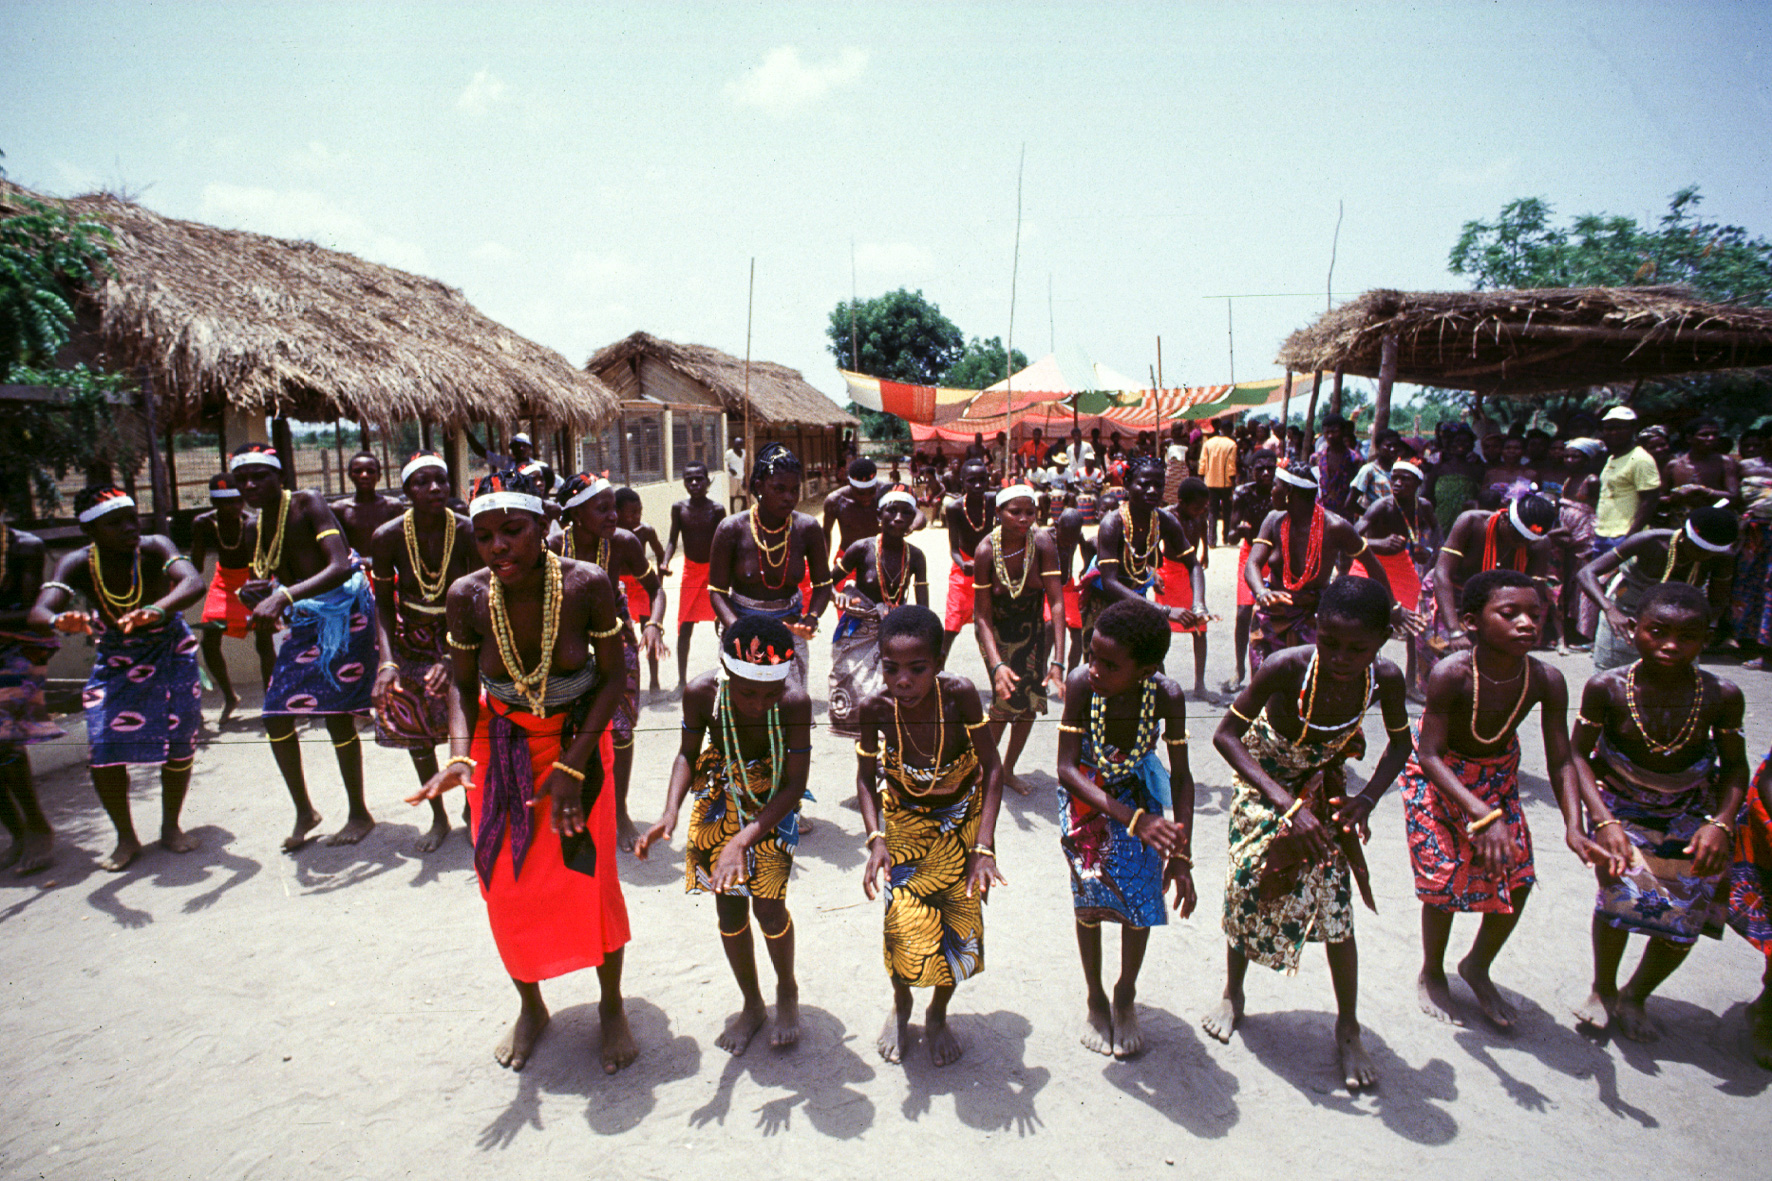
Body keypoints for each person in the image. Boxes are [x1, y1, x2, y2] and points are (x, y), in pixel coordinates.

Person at [405, 470, 635, 1074]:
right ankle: (531, 1003)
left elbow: (613, 679)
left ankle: (612, 1005)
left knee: (589, 877)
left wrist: (571, 766)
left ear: (544, 528)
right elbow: (459, 686)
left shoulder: (586, 584)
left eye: (512, 530)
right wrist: (458, 755)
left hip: (578, 744)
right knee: (504, 885)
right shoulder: (466, 595)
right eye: (484, 537)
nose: (497, 546)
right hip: (499, 746)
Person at [1204, 577, 1413, 1090]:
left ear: (1382, 640)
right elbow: (1226, 736)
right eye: (1330, 642)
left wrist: (1365, 800)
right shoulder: (1286, 667)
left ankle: (1347, 1026)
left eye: (1357, 648)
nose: (1341, 657)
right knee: (1248, 882)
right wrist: (1284, 802)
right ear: (1315, 629)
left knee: (1335, 901)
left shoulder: (1384, 678)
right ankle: (1233, 991)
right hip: (1265, 780)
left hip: (1322, 785)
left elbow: (1402, 747)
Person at [1399, 569, 1596, 1028]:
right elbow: (1428, 755)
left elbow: (1562, 759)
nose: (1527, 623)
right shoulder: (1452, 674)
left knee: (1520, 877)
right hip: (1441, 780)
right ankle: (1432, 971)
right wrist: (1482, 813)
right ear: (1472, 622)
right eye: (1510, 614)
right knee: (1444, 882)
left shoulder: (1546, 679)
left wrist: (1573, 824)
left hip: (1497, 781)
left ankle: (1477, 967)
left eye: (1536, 614)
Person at [1569, 582, 1748, 1041]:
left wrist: (1721, 824)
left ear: (1705, 639)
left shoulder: (1721, 695)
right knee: (1618, 895)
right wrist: (1603, 821)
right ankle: (1603, 988)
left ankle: (1637, 994)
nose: (1671, 645)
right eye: (1657, 631)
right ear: (1633, 630)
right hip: (1621, 804)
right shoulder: (1606, 688)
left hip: (1691, 809)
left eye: (1687, 636)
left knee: (1687, 911)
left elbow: (1734, 769)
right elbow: (1576, 758)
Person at [635, 617, 811, 1054]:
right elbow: (686, 754)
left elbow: (793, 785)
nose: (758, 703)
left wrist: (742, 841)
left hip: (772, 803)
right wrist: (669, 811)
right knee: (730, 913)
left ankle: (785, 989)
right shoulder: (702, 694)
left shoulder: (793, 702)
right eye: (746, 691)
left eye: (769, 692)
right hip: (721, 794)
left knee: (769, 910)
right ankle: (752, 1004)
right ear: (725, 673)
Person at [855, 605, 1005, 1067]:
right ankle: (902, 1005)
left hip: (960, 822)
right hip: (904, 824)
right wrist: (876, 838)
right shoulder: (876, 707)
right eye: (891, 667)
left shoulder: (959, 696)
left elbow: (993, 767)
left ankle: (938, 1013)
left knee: (957, 928)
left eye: (917, 669)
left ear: (938, 664)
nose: (903, 680)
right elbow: (864, 779)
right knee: (902, 927)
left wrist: (984, 846)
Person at [30, 487, 205, 871]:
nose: (130, 527)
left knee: (179, 738)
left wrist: (155, 611)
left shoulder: (156, 546)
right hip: (116, 657)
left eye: (132, 517)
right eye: (116, 523)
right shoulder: (77, 563)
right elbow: (40, 610)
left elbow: (193, 582)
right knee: (104, 745)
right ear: (90, 530)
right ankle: (126, 836)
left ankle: (170, 826)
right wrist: (60, 620)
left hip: (170, 649)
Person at [1057, 599, 1194, 1059]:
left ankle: (1125, 993)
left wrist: (1180, 853)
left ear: (1146, 669)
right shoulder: (1081, 684)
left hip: (1138, 792)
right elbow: (1066, 768)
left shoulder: (1167, 695)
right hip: (1089, 798)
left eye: (1109, 664)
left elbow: (1181, 776)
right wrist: (1133, 819)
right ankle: (1095, 996)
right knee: (1090, 898)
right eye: (1091, 655)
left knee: (1141, 899)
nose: (1094, 669)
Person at [229, 441, 379, 850]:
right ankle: (305, 810)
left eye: (259, 475)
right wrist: (257, 593)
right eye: (242, 478)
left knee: (335, 714)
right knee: (276, 716)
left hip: (347, 615)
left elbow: (339, 565)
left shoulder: (307, 503)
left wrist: (283, 596)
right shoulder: (252, 527)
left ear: (280, 477)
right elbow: (266, 581)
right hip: (304, 619)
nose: (250, 484)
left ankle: (358, 813)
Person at [369, 452, 479, 854]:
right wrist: (387, 662)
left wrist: (454, 655)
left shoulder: (467, 531)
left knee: (466, 723)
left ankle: (472, 808)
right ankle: (438, 816)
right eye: (422, 482)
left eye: (441, 480)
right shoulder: (388, 536)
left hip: (461, 630)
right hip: (411, 637)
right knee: (416, 728)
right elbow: (382, 603)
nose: (434, 488)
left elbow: (479, 592)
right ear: (407, 491)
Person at [554, 473, 667, 853]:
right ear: (575, 513)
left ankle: (619, 812)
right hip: (565, 639)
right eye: (601, 508)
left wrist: (653, 624)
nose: (613, 515)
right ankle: (576, 806)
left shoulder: (623, 543)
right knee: (568, 727)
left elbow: (656, 591)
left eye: (613, 507)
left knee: (620, 728)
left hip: (615, 637)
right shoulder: (552, 547)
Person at [1244, 460, 1396, 673]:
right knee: (1267, 680)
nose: (1272, 490)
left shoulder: (1335, 526)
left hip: (1314, 617)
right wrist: (1261, 592)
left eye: (1276, 485)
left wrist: (1393, 607)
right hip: (1273, 613)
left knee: (1310, 682)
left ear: (1289, 491)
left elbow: (1373, 566)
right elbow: (1253, 562)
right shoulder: (1273, 520)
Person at [709, 443, 830, 697]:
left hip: (789, 630)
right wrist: (737, 629)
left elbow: (822, 585)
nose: (789, 497)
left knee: (788, 707)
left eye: (794, 490)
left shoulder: (807, 528)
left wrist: (812, 618)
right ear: (758, 487)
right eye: (779, 489)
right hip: (741, 628)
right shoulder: (732, 529)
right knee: (744, 708)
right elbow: (717, 591)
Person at [1416, 493, 1560, 695]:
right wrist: (1454, 630)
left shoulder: (1538, 544)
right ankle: (1433, 699)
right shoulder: (1471, 522)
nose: (1521, 544)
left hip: (1493, 601)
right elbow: (1442, 574)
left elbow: (1532, 594)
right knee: (1443, 654)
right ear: (1503, 518)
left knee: (1488, 659)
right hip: (1447, 591)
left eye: (1528, 539)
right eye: (1518, 536)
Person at [973, 484, 1066, 794]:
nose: (1024, 519)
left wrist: (1058, 660)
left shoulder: (1042, 543)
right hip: (995, 632)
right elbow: (982, 617)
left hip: (1032, 631)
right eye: (1015, 512)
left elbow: (1056, 603)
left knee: (1029, 705)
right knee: (1004, 702)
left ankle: (1008, 769)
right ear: (998, 513)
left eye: (1030, 512)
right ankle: (982, 770)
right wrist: (997, 663)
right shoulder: (986, 550)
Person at [1575, 505, 1737, 672]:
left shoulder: (1722, 558)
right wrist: (1610, 610)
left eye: (1709, 553)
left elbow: (1717, 602)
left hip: (1680, 626)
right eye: (1697, 549)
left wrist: (1697, 630)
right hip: (1626, 618)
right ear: (1683, 535)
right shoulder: (1650, 541)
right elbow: (1587, 573)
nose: (1702, 556)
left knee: (1678, 684)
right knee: (1611, 679)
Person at [829, 488, 927, 737]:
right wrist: (837, 595)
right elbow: (826, 583)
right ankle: (866, 749)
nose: (898, 518)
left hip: (894, 633)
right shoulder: (862, 548)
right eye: (891, 510)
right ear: (878, 515)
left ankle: (887, 754)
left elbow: (923, 608)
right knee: (856, 693)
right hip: (859, 632)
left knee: (891, 695)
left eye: (906, 512)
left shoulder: (916, 557)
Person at [1088, 455, 1201, 646]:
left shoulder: (1164, 521)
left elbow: (1194, 565)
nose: (1152, 491)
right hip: (1106, 602)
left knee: (1148, 665)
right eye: (1144, 484)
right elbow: (1109, 582)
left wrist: (1198, 605)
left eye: (1159, 485)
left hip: (1139, 600)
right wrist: (1165, 610)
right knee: (1107, 665)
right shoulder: (1112, 524)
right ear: (1127, 485)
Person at [0, 516, 60, 874]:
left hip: (18, 648)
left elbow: (27, 614)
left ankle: (37, 826)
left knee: (4, 739)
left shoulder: (24, 547)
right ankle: (16, 833)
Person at [190, 473, 274, 722]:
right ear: (215, 504)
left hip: (252, 581)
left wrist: (261, 590)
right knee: (209, 640)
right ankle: (229, 696)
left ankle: (271, 701)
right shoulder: (202, 523)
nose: (236, 507)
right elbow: (195, 561)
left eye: (239, 501)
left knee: (264, 640)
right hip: (223, 582)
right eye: (228, 503)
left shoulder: (253, 522)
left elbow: (264, 560)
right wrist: (183, 588)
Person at [1352, 459, 1438, 697]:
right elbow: (1351, 534)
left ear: (1418, 484)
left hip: (1401, 564)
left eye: (1405, 479)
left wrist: (1427, 551)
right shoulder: (1382, 506)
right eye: (1395, 478)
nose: (1397, 483)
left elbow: (1436, 532)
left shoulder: (1424, 507)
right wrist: (1378, 543)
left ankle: (1411, 684)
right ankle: (1363, 680)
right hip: (1369, 561)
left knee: (1413, 623)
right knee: (1365, 621)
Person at [662, 462, 726, 689]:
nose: (695, 483)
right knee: (684, 626)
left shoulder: (717, 509)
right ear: (684, 482)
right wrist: (665, 561)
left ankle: (728, 673)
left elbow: (724, 543)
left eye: (699, 478)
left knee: (721, 624)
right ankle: (681, 681)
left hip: (714, 572)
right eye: (689, 479)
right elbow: (672, 539)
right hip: (690, 571)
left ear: (707, 481)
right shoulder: (679, 508)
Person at [1223, 449, 1276, 693]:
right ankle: (1238, 669)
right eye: (1260, 468)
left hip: (1277, 555)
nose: (1266, 472)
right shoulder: (1244, 494)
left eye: (1270, 468)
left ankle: (1271, 670)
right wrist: (1242, 530)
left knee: (1276, 611)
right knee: (1244, 612)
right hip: (1251, 553)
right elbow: (1231, 535)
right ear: (1251, 471)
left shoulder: (1280, 491)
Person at [1158, 477, 1213, 699]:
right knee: (1161, 626)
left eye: (1203, 507)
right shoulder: (1167, 517)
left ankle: (1200, 684)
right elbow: (1154, 546)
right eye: (1196, 507)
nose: (1200, 511)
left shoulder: (1199, 515)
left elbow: (1202, 532)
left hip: (1191, 573)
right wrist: (1154, 573)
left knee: (1200, 627)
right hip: (1168, 573)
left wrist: (1205, 553)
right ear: (1181, 502)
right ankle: (1160, 681)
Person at [940, 457, 997, 659]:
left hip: (991, 567)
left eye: (983, 479)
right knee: (952, 623)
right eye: (972, 480)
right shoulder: (954, 508)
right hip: (964, 569)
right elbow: (954, 549)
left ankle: (997, 677)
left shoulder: (994, 501)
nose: (978, 485)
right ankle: (938, 671)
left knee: (991, 625)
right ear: (962, 481)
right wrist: (962, 563)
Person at [614, 487, 668, 694]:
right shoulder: (611, 534)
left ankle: (654, 680)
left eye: (639, 512)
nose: (637, 517)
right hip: (619, 586)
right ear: (617, 512)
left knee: (650, 631)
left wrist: (660, 579)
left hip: (642, 584)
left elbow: (660, 554)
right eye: (632, 513)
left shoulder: (645, 531)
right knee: (621, 636)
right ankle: (624, 683)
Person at [1594, 407, 1663, 558]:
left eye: (1620, 427)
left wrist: (1631, 537)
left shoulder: (1640, 458)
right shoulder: (1611, 458)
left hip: (1624, 536)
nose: (1614, 433)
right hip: (1603, 534)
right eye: (1609, 428)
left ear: (1633, 428)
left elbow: (1650, 500)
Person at [330, 451, 404, 559]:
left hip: (388, 565)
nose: (364, 475)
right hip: (354, 567)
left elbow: (401, 543)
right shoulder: (340, 509)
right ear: (350, 475)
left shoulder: (392, 506)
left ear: (379, 476)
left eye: (371, 471)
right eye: (358, 471)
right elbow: (338, 547)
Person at [1665, 419, 1741, 514]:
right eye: (1704, 435)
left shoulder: (1726, 462)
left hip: (1714, 517)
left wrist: (1702, 490)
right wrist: (1674, 498)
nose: (1711, 438)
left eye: (1715, 434)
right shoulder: (1674, 465)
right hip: (1681, 520)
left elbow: (1734, 497)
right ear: (1689, 438)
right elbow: (1660, 496)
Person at [1426, 425, 1485, 538]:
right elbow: (1427, 494)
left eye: (1466, 441)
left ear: (1472, 445)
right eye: (1457, 441)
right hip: (1441, 518)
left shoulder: (1477, 468)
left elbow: (1481, 492)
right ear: (1451, 444)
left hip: (1467, 519)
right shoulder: (1439, 468)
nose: (1461, 444)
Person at [1197, 418, 1238, 546]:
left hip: (1210, 482)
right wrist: (1233, 485)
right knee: (1227, 511)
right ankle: (1225, 537)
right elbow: (1231, 467)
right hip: (1226, 483)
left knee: (1212, 512)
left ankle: (1211, 540)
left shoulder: (1208, 443)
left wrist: (1201, 480)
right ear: (1230, 430)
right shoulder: (1231, 444)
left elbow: (1202, 464)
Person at [1348, 430, 1403, 518]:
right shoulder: (1369, 470)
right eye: (1388, 446)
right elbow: (1350, 503)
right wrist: (1371, 516)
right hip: (1375, 526)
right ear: (1378, 447)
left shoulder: (1398, 470)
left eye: (1395, 446)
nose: (1393, 449)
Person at [1315, 415, 1358, 516]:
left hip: (1344, 513)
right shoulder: (1316, 458)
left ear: (1343, 431)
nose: (1330, 436)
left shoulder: (1354, 459)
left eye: (1334, 432)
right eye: (1327, 432)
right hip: (1320, 511)